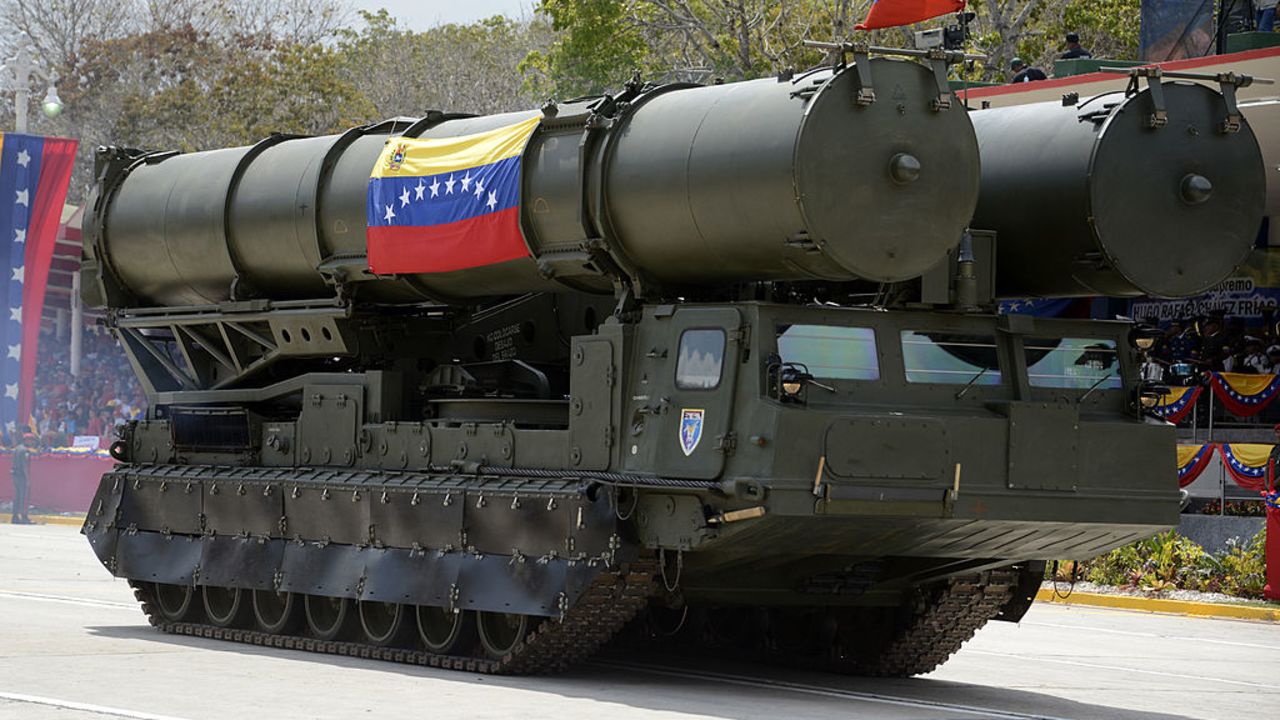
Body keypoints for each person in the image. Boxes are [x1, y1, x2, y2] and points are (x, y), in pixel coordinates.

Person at [10, 434, 32, 524]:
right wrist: (28, 479)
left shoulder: (17, 448)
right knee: (23, 497)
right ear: (26, 440)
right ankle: (23, 516)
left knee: (17, 496)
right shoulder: (24, 450)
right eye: (30, 440)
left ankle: (15, 516)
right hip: (21, 476)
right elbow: (24, 465)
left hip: (15, 475)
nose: (31, 442)